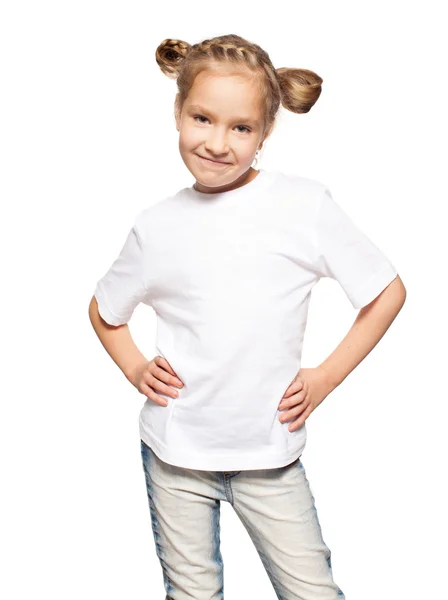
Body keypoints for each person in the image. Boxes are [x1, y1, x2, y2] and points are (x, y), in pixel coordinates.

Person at [89, 33, 406, 600]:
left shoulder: (303, 207)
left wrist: (325, 377)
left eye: (240, 127)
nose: (216, 141)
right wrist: (136, 368)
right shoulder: (156, 226)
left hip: (269, 456)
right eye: (202, 118)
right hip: (176, 456)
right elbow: (104, 311)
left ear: (265, 132)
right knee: (192, 592)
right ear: (179, 113)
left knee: (312, 590)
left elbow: (386, 292)